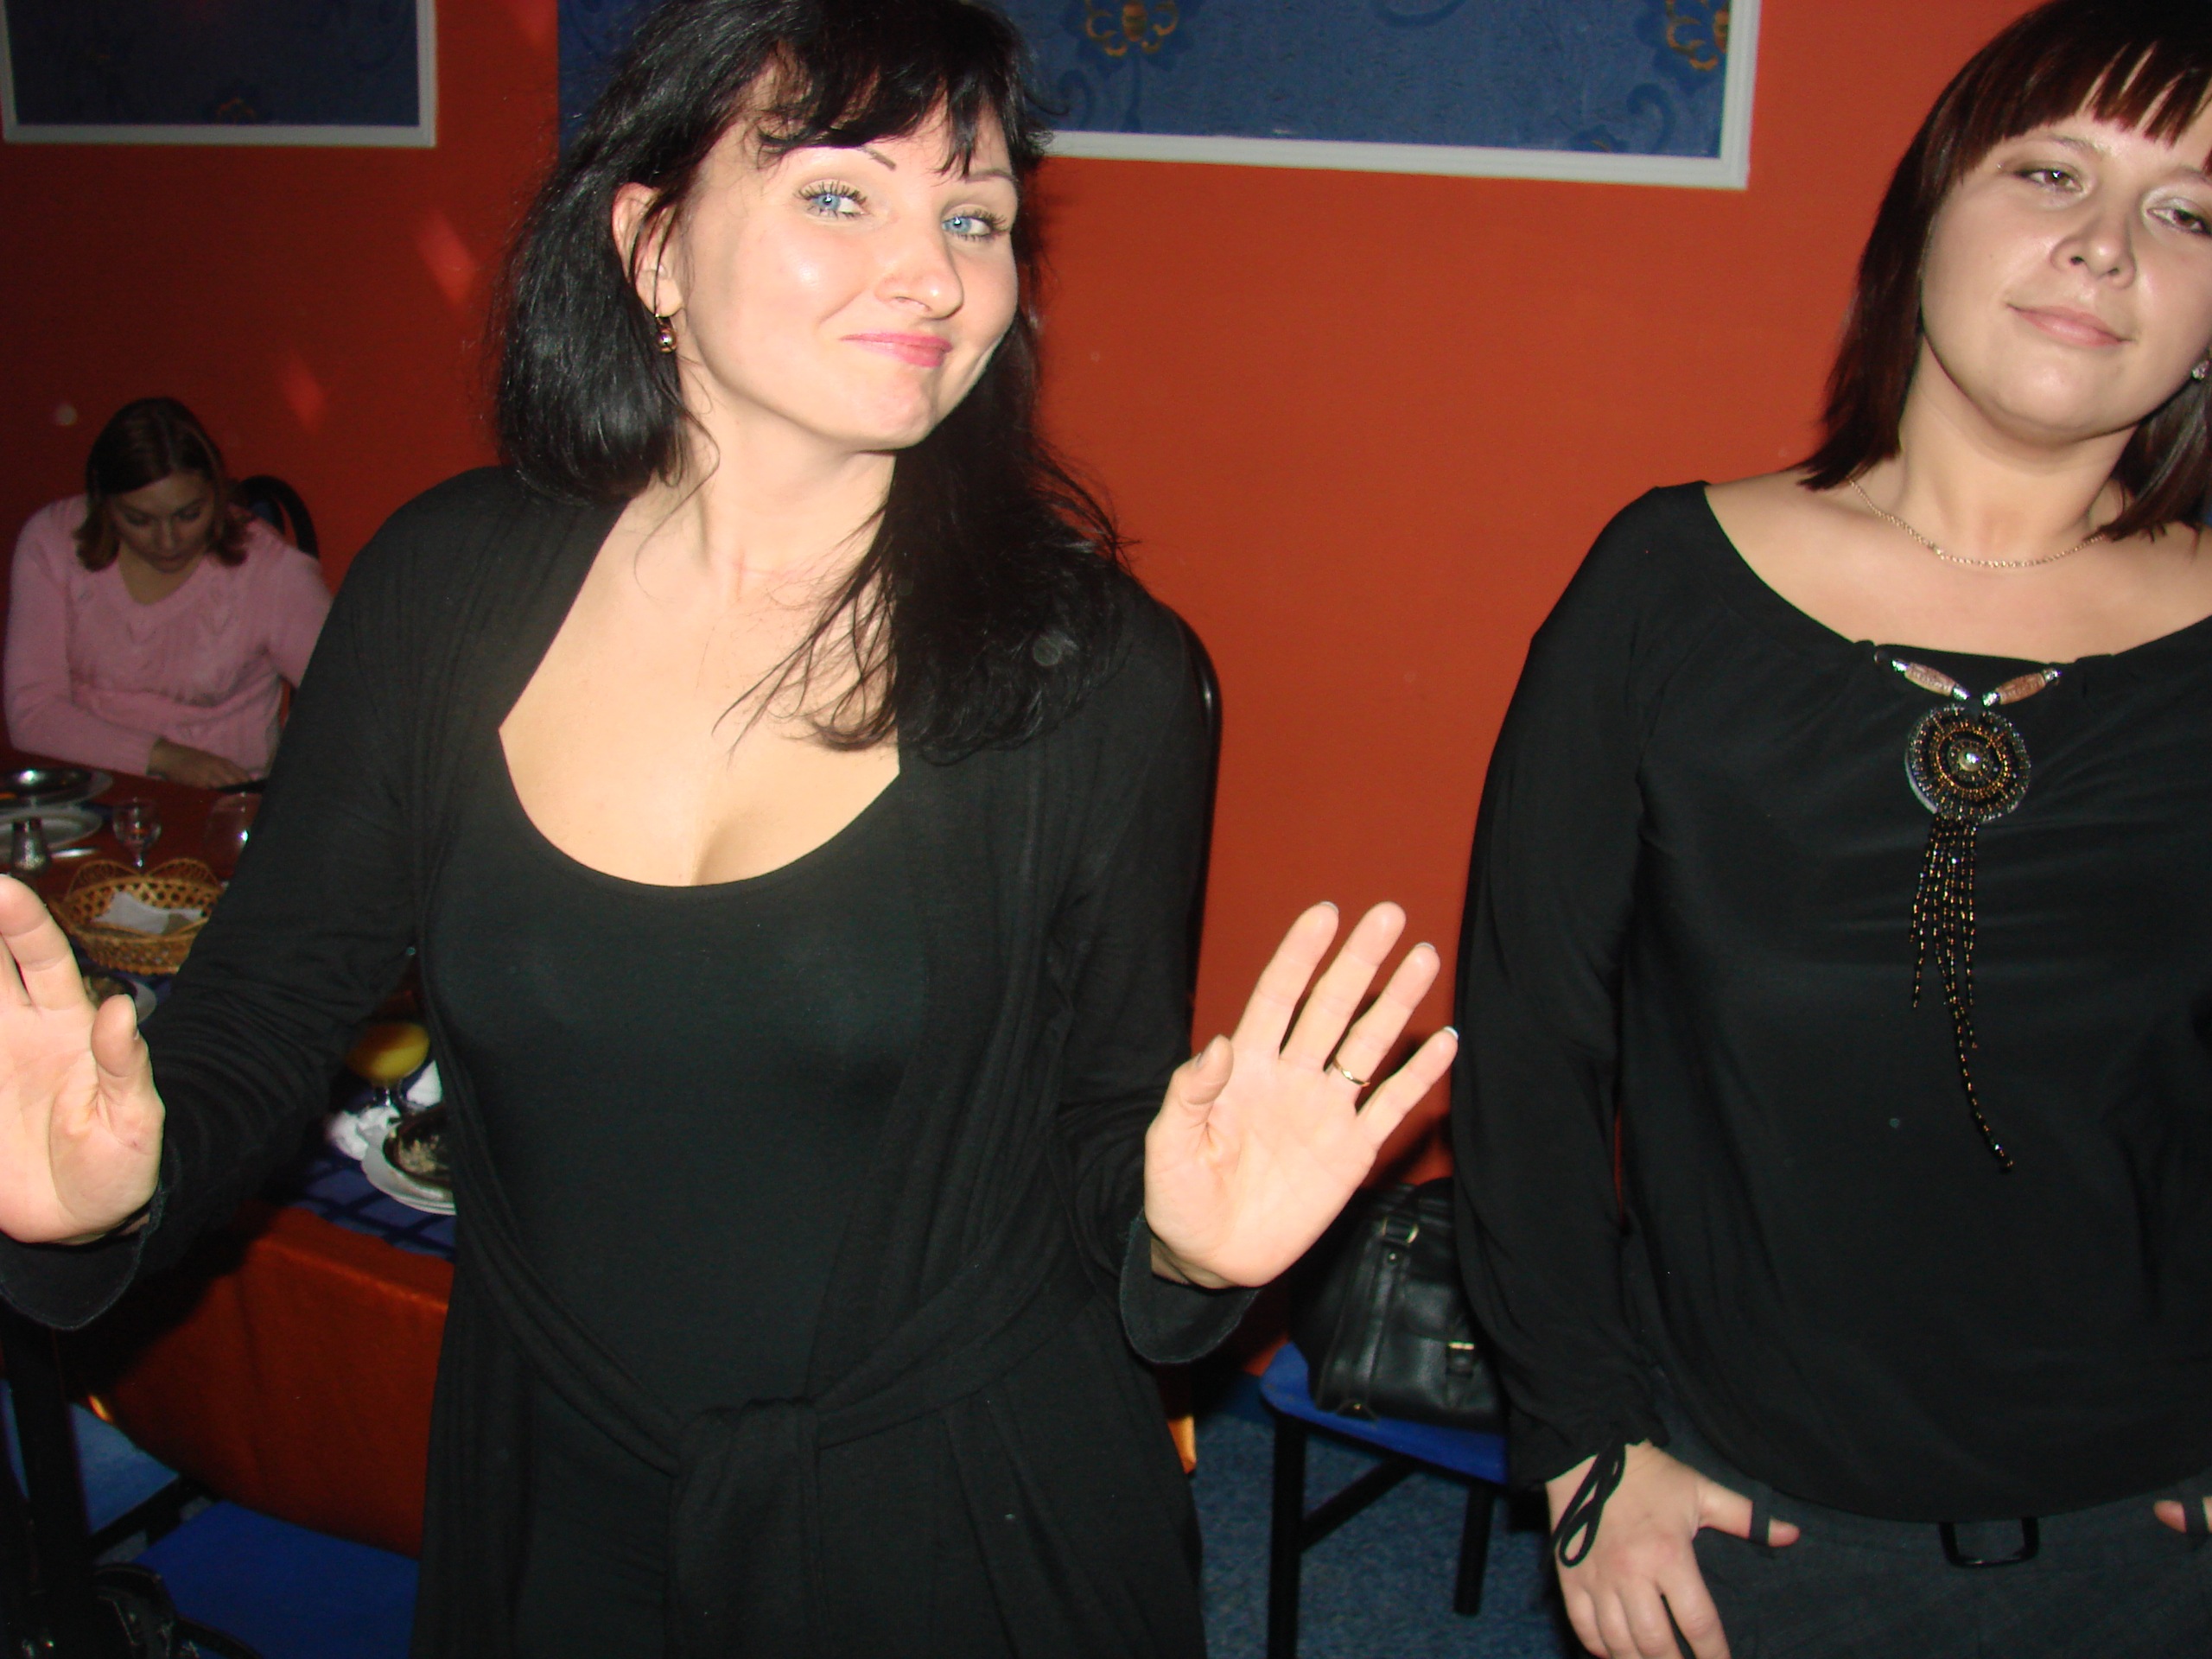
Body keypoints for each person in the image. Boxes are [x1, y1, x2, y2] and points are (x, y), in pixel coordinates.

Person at [0, 3, 1455, 1655]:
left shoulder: (1097, 679)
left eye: (974, 218)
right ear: (652, 248)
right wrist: (113, 1180)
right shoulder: (441, 591)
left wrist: (1187, 1251)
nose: (933, 276)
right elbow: (266, 1009)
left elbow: (1098, 1141)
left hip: (956, 1509)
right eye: (841, 194)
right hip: (556, 1484)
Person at [1453, 3, 2212, 1656]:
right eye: (2052, 173)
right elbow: (1528, 1041)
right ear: (1926, 216)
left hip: (2155, 1530)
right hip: (1747, 1518)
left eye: (2188, 211)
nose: (2106, 246)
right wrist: (1582, 1442)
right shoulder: (1663, 588)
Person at [4, 397, 331, 787]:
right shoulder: (52, 541)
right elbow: (32, 714)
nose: (168, 541)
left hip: (220, 798)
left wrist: (289, 778)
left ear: (216, 492)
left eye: (189, 515)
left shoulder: (271, 570)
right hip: (85, 789)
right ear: (103, 504)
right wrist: (161, 757)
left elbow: (349, 694)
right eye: (139, 520)